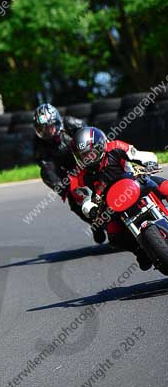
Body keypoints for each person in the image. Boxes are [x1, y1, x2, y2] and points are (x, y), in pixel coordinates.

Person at [69, 126, 160, 270]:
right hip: (112, 203)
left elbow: (140, 155)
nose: (88, 158)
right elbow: (85, 198)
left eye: (91, 153)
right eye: (84, 156)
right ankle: (140, 251)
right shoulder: (81, 176)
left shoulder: (116, 147)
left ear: (100, 146)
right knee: (114, 236)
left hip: (136, 183)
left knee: (165, 187)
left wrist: (149, 163)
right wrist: (90, 209)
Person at [33, 103, 105, 243]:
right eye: (43, 129)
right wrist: (63, 187)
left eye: (49, 127)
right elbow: (45, 164)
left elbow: (92, 135)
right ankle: (95, 223)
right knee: (73, 201)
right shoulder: (39, 143)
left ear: (57, 121)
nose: (47, 132)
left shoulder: (71, 123)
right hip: (69, 172)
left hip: (87, 160)